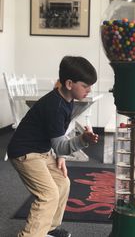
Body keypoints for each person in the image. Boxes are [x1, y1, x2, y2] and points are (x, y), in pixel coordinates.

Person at [7, 56, 99, 237]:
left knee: (62, 184)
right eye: (86, 85)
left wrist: (61, 158)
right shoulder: (55, 107)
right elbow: (60, 146)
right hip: (25, 154)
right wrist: (83, 140)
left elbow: (58, 136)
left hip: (41, 151)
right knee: (48, 195)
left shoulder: (66, 100)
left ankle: (48, 228)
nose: (90, 89)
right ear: (70, 84)